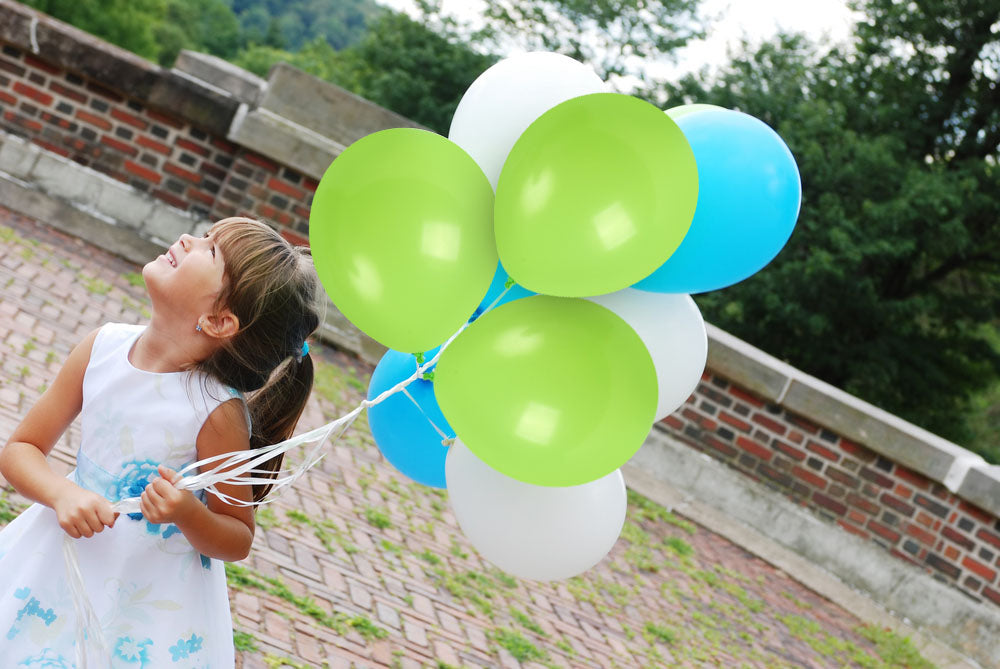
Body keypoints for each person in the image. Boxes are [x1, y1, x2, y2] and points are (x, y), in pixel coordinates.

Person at [0, 217, 321, 666]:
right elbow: (21, 449)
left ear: (218, 320)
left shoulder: (215, 411)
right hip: (55, 558)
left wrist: (189, 513)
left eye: (210, 251)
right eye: (205, 234)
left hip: (142, 601)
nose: (190, 239)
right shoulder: (103, 347)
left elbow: (237, 535)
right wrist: (61, 492)